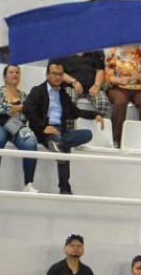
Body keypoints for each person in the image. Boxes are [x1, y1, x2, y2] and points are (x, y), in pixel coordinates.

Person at [23, 62, 103, 195]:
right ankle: (65, 188)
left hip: (61, 130)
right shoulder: (38, 91)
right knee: (63, 146)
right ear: (47, 75)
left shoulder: (63, 94)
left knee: (87, 134)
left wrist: (95, 115)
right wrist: (43, 128)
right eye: (54, 74)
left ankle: (57, 144)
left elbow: (75, 112)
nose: (58, 77)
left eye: (60, 74)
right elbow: (28, 109)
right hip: (44, 132)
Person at [0, 65, 38, 192]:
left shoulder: (25, 96)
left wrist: (18, 110)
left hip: (18, 127)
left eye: (17, 72)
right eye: (11, 72)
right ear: (5, 77)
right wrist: (12, 109)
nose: (15, 74)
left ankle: (28, 184)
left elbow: (29, 112)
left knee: (31, 144)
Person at [104, 45, 141, 147]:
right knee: (120, 100)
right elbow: (108, 76)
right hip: (117, 87)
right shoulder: (112, 52)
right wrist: (120, 80)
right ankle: (116, 141)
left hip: (137, 88)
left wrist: (139, 76)